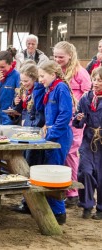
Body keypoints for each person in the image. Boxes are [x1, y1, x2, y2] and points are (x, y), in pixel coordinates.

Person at [53, 41, 92, 207]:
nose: (57, 59)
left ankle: (73, 193)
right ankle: (62, 187)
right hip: (60, 119)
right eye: (55, 56)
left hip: (74, 121)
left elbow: (88, 96)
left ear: (70, 55)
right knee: (60, 151)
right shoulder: (56, 71)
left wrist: (78, 110)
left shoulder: (80, 73)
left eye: (61, 57)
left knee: (71, 152)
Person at [38, 60, 74, 225]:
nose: (40, 80)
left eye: (42, 76)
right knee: (48, 170)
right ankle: (53, 209)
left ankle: (59, 212)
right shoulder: (50, 88)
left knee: (54, 172)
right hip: (52, 133)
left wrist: (51, 133)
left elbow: (65, 115)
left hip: (59, 136)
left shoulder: (60, 88)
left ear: (53, 74)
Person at [11, 62, 45, 214]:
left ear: (34, 78)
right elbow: (20, 110)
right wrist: (16, 104)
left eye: (26, 81)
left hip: (34, 132)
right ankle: (27, 202)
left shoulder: (38, 91)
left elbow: (37, 112)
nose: (23, 84)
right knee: (25, 163)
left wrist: (35, 90)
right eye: (22, 81)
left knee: (32, 166)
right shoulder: (24, 91)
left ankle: (31, 204)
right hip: (26, 131)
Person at [72, 67, 102, 220]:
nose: (96, 83)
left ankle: (101, 209)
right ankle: (86, 205)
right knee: (85, 171)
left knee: (101, 175)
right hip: (89, 140)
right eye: (94, 79)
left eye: (100, 80)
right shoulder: (86, 98)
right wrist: (78, 118)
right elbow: (78, 122)